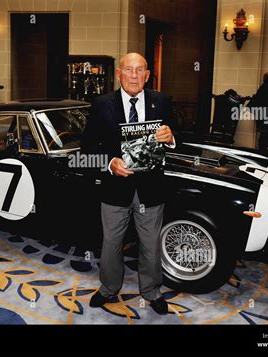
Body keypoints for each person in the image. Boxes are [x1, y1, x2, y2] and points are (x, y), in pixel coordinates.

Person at [81, 53, 177, 315]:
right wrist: (110, 163)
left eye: (140, 70)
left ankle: (152, 291)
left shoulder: (162, 101)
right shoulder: (101, 104)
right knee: (111, 242)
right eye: (129, 70)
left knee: (150, 244)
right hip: (114, 187)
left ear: (147, 75)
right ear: (119, 74)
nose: (134, 75)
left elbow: (177, 138)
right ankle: (108, 289)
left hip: (151, 187)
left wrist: (170, 138)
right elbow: (87, 147)